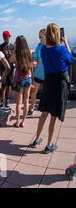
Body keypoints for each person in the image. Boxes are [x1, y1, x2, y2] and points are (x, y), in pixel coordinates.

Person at [31, 24, 73, 154]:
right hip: (59, 83)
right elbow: (70, 59)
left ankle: (36, 139)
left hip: (48, 82)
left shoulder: (43, 49)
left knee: (44, 113)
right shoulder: (61, 49)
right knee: (53, 116)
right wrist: (65, 42)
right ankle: (49, 145)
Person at [9, 36, 33, 128]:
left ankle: (17, 122)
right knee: (26, 100)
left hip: (19, 80)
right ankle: (23, 121)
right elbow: (31, 65)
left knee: (18, 102)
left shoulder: (15, 55)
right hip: (28, 78)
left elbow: (10, 60)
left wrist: (15, 48)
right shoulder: (29, 53)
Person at [30, 29, 46, 116]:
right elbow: (35, 57)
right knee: (34, 92)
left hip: (48, 74)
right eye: (39, 36)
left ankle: (45, 110)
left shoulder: (50, 46)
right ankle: (31, 108)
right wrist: (34, 61)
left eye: (41, 36)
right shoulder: (39, 46)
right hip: (38, 74)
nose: (39, 38)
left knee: (47, 93)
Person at [0, 31, 15, 108]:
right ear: (3, 38)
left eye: (7, 37)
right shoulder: (0, 47)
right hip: (3, 69)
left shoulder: (12, 47)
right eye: (5, 37)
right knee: (3, 85)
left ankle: (7, 99)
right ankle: (2, 100)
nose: (6, 39)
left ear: (9, 37)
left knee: (9, 85)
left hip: (11, 69)